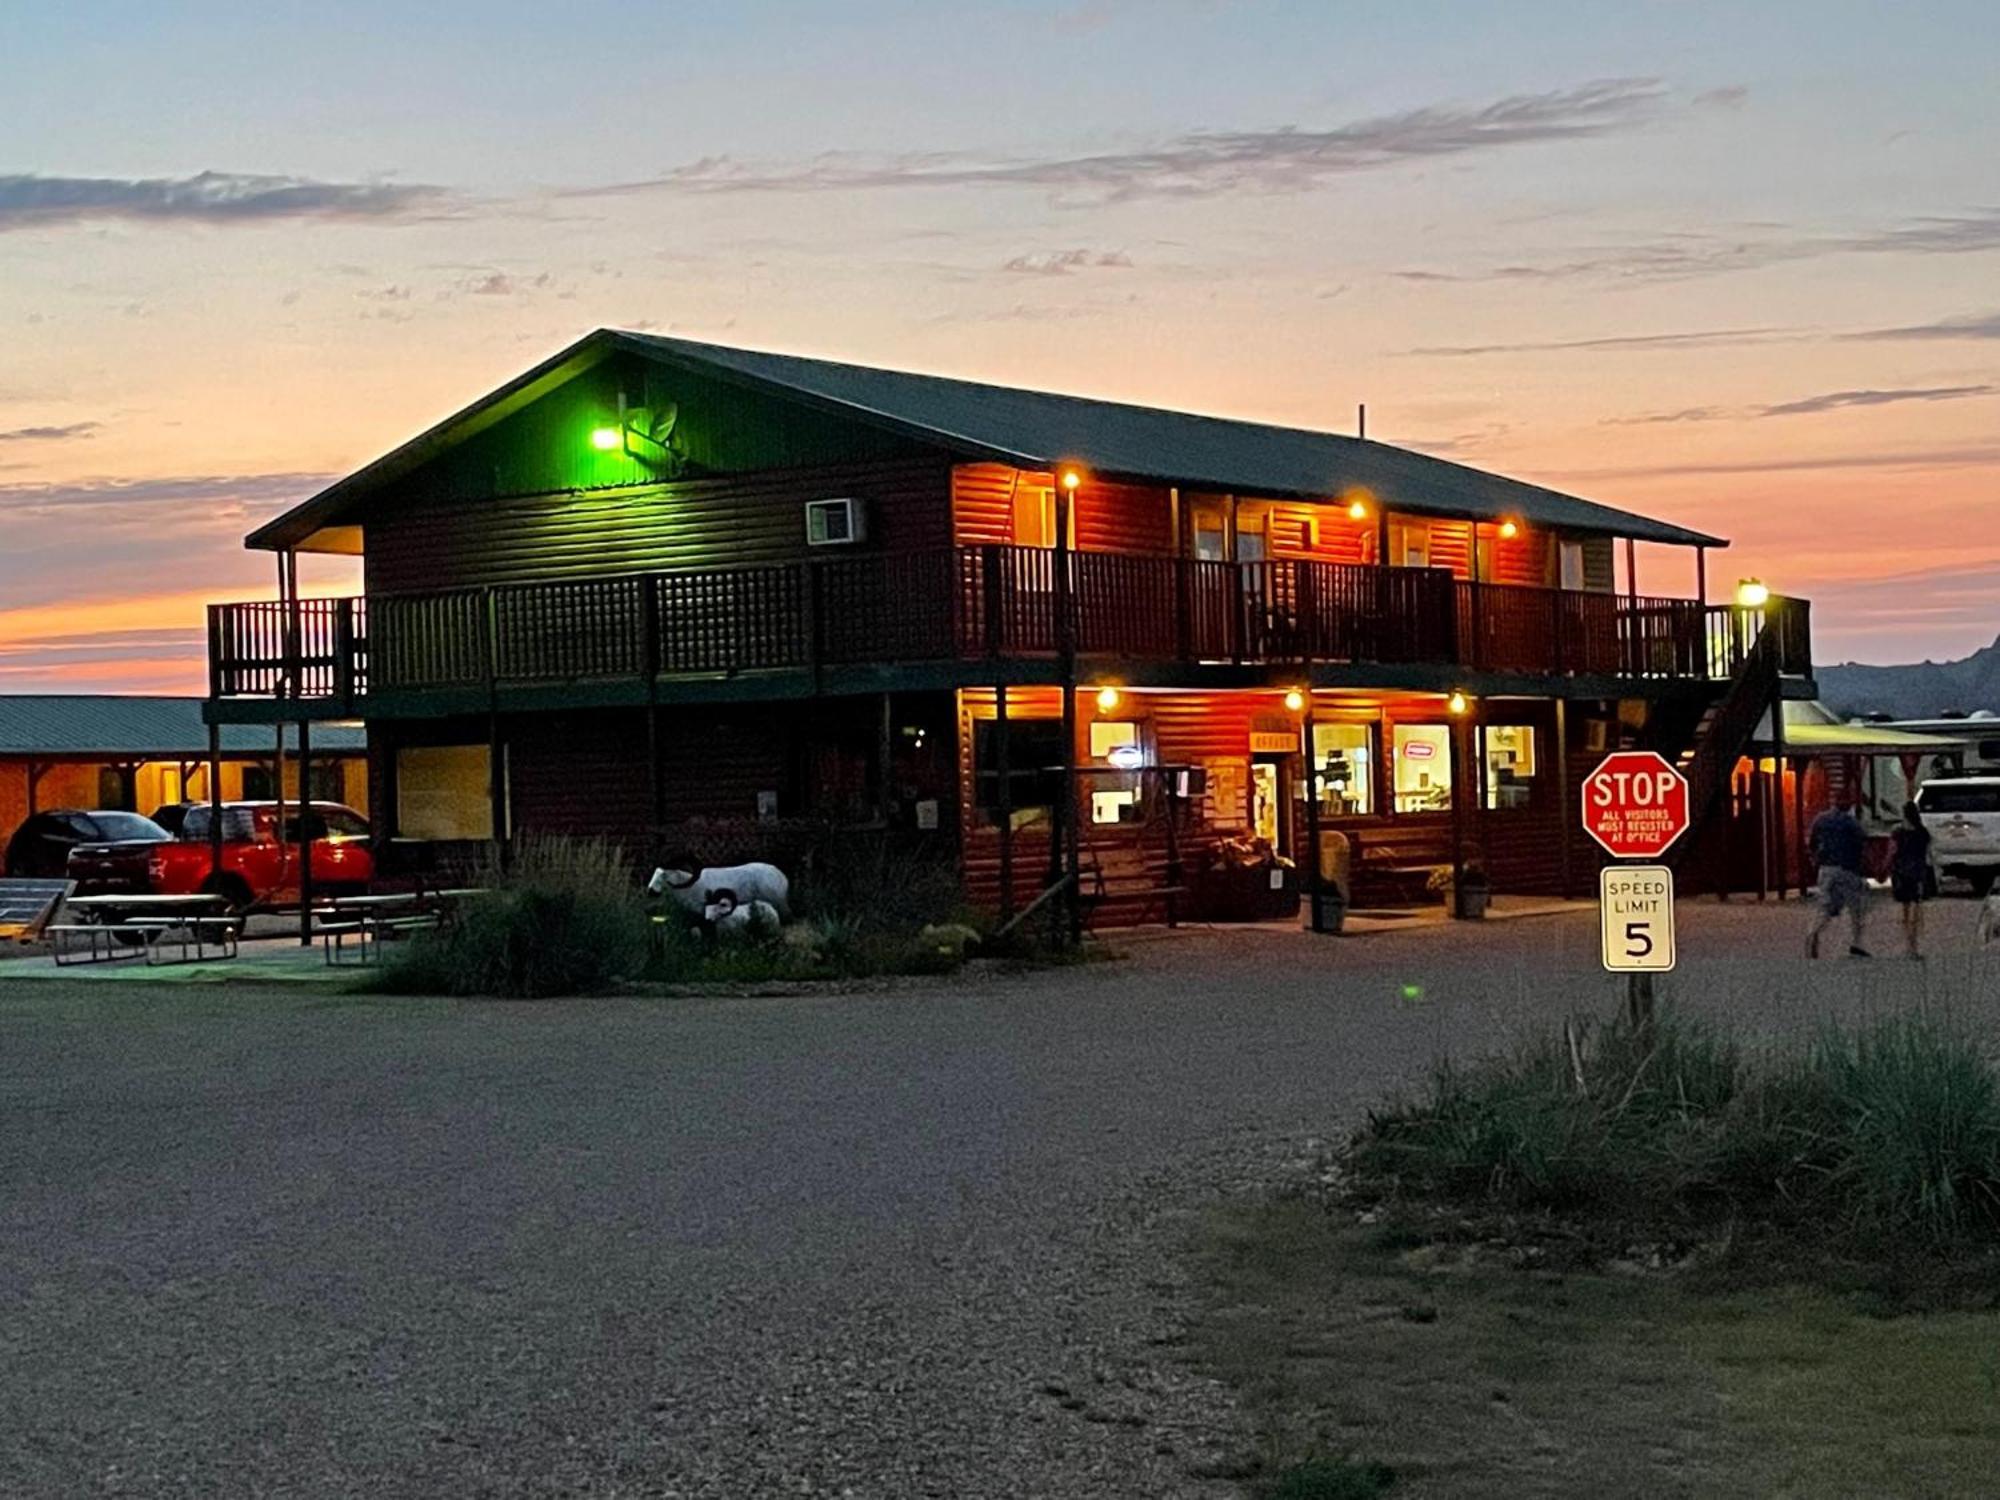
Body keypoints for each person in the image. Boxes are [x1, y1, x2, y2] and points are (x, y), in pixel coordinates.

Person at [1806, 798, 1871, 959]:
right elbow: (1862, 843)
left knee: (1826, 907)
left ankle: (1814, 931)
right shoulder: (1851, 823)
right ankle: (1856, 944)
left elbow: (1812, 842)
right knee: (1857, 908)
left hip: (1826, 868)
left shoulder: (1820, 819)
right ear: (1849, 807)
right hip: (1847, 869)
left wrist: (1815, 859)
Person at [1889, 800, 1934, 959]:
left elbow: (1892, 851)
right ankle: (1914, 946)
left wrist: (1886, 867)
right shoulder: (1923, 832)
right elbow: (1928, 854)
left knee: (1905, 910)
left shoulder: (1898, 832)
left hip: (1901, 872)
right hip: (1918, 872)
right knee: (1916, 908)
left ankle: (1908, 945)